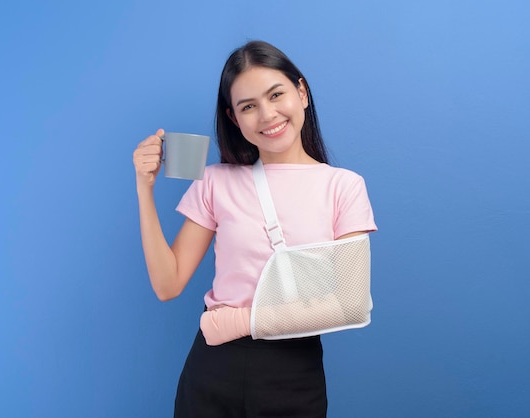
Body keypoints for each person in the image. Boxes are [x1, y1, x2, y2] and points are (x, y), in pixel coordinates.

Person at [132, 40, 377, 418]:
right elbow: (168, 285)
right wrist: (143, 189)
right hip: (213, 369)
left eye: (276, 94)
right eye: (249, 106)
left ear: (302, 93)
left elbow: (350, 304)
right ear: (234, 118)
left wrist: (238, 320)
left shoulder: (343, 186)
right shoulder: (214, 181)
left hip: (293, 370)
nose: (267, 115)